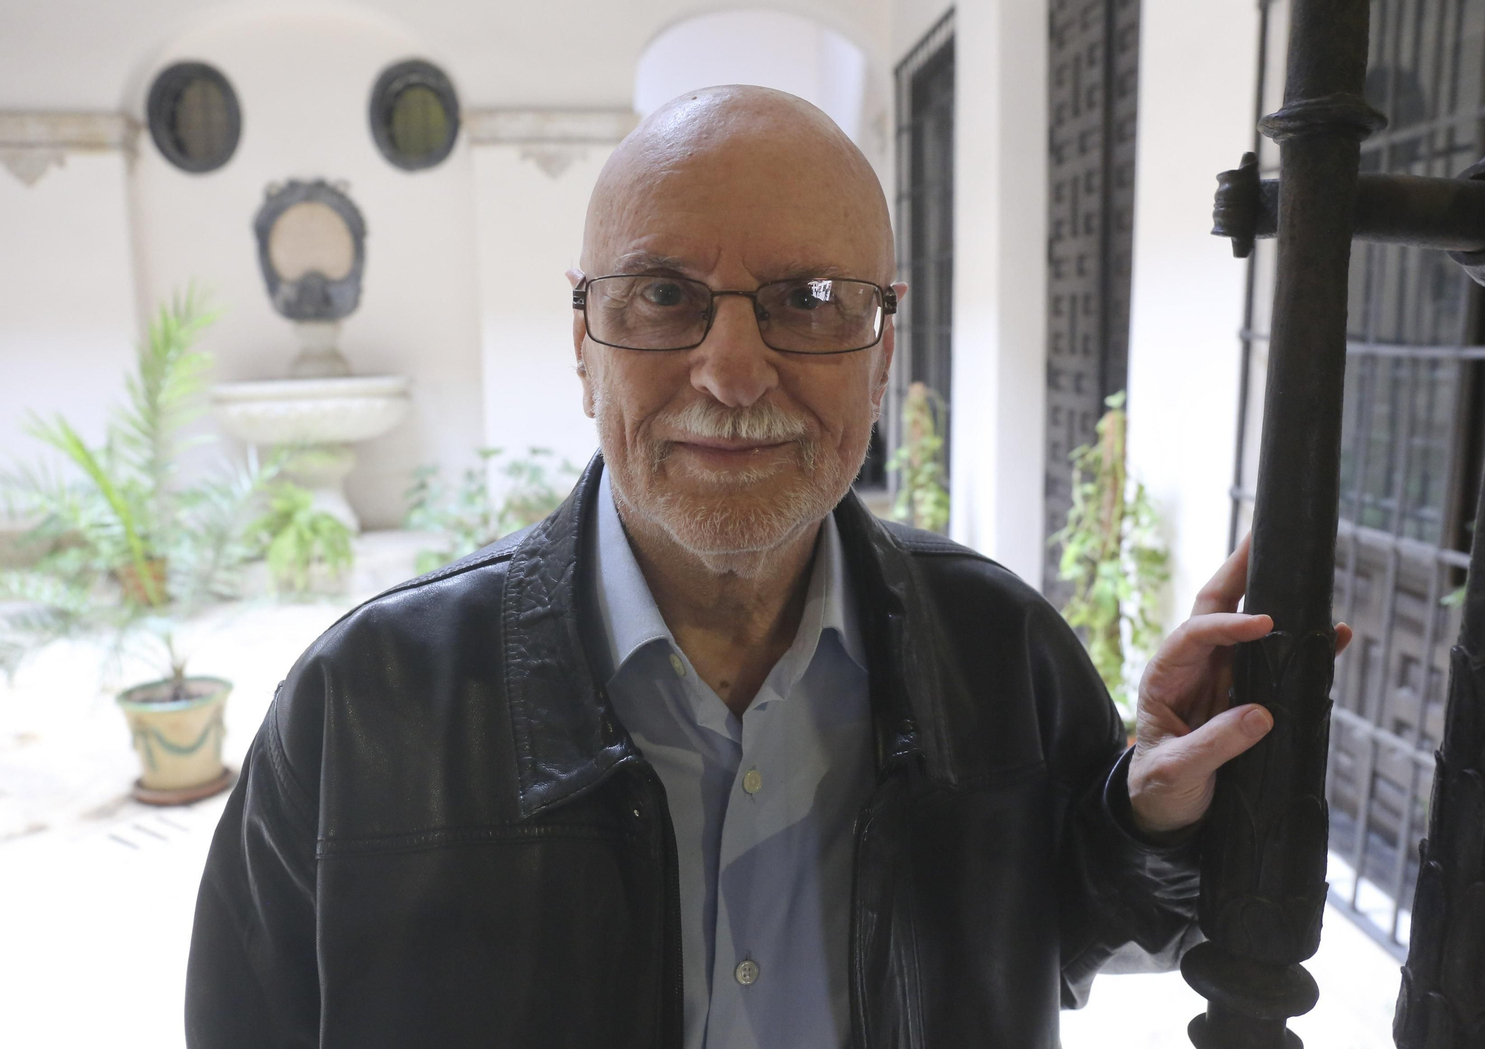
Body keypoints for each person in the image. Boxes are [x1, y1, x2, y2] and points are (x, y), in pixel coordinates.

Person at [186, 86, 1343, 1049]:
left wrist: (1144, 810)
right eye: (663, 296)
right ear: (583, 343)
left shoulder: (997, 647)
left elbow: (1075, 924)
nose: (732, 373)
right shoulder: (363, 709)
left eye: (810, 300)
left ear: (881, 349)